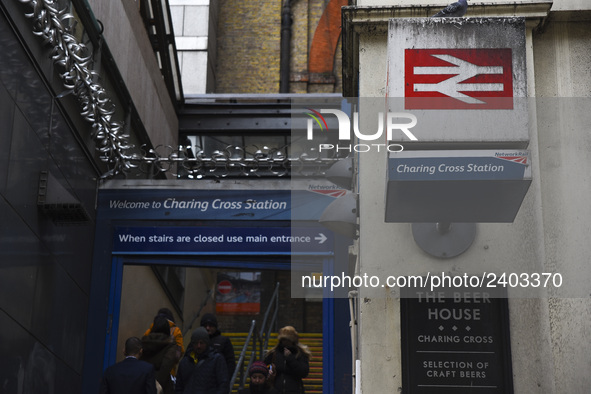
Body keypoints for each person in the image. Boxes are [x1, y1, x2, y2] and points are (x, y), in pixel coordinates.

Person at [175, 327, 228, 394]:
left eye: (201, 343)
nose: (198, 346)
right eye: (196, 343)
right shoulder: (184, 362)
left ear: (207, 343)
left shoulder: (217, 360)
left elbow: (223, 385)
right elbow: (179, 387)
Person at [141, 316, 183, 394]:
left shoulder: (144, 342)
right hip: (162, 387)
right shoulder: (170, 345)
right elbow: (166, 366)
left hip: (144, 382)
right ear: (167, 330)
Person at [263, 326, 310, 394]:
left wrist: (290, 358)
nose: (285, 342)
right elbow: (263, 368)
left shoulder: (300, 354)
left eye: (288, 340)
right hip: (276, 390)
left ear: (293, 340)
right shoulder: (274, 354)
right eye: (283, 339)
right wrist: (269, 370)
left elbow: (304, 372)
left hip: (295, 390)